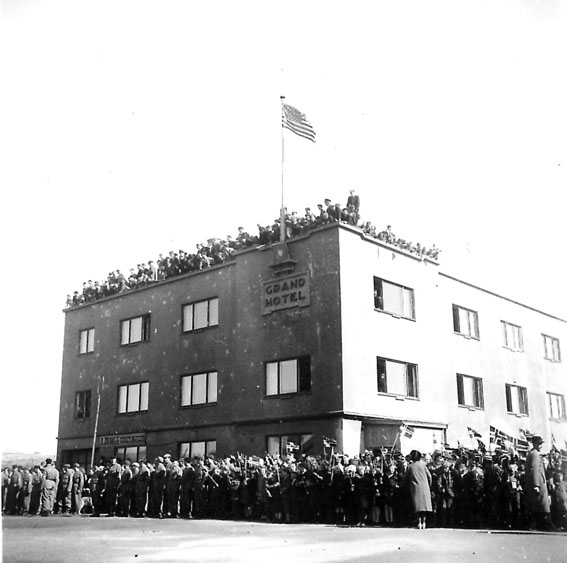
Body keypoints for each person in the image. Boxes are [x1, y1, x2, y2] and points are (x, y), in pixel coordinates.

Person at [525, 435, 553, 530]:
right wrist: (536, 484)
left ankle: (542, 525)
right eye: (539, 444)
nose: (541, 446)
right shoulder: (535, 454)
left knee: (539, 504)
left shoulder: (533, 453)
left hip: (539, 482)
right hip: (539, 483)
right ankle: (547, 525)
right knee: (542, 505)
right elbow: (534, 469)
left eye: (541, 444)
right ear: (534, 444)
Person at [402, 450, 432, 529]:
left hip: (415, 487)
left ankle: (419, 522)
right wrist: (429, 485)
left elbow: (405, 478)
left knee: (417, 506)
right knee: (424, 507)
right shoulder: (423, 465)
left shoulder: (410, 467)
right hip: (425, 487)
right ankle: (424, 522)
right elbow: (430, 477)